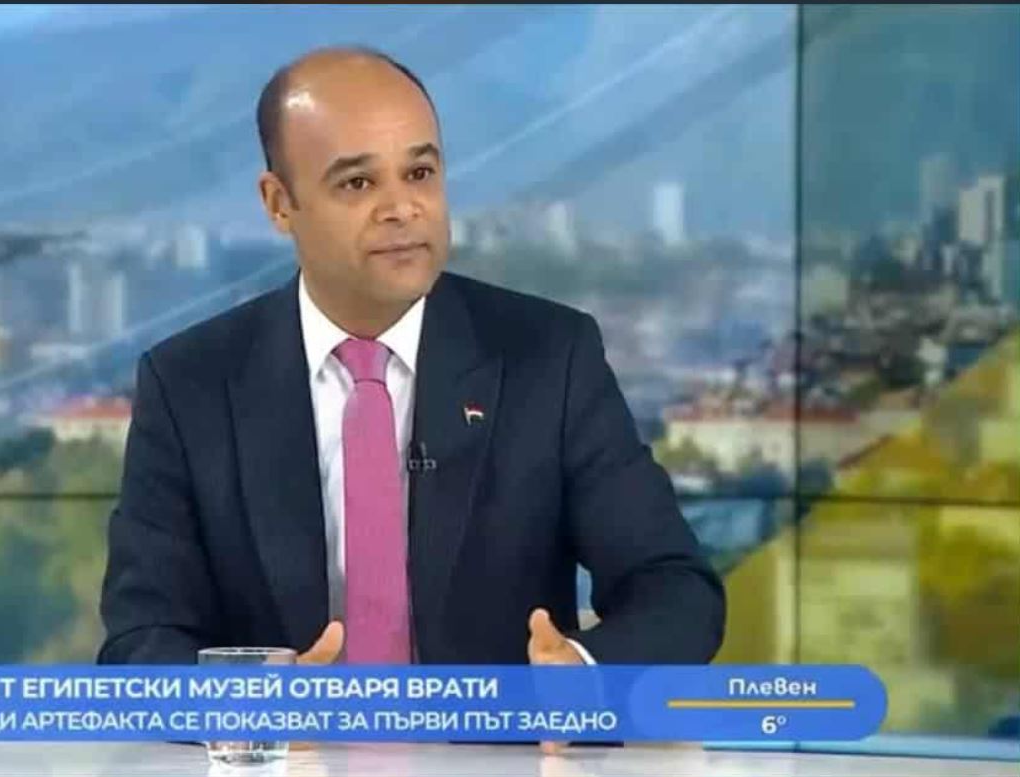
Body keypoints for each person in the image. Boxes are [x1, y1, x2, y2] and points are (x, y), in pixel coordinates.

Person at [99, 47, 725, 678]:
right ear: (279, 203)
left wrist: (583, 673)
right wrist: (256, 698)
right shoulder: (190, 385)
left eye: (420, 173)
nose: (402, 209)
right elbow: (140, 639)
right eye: (358, 183)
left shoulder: (548, 358)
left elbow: (675, 588)